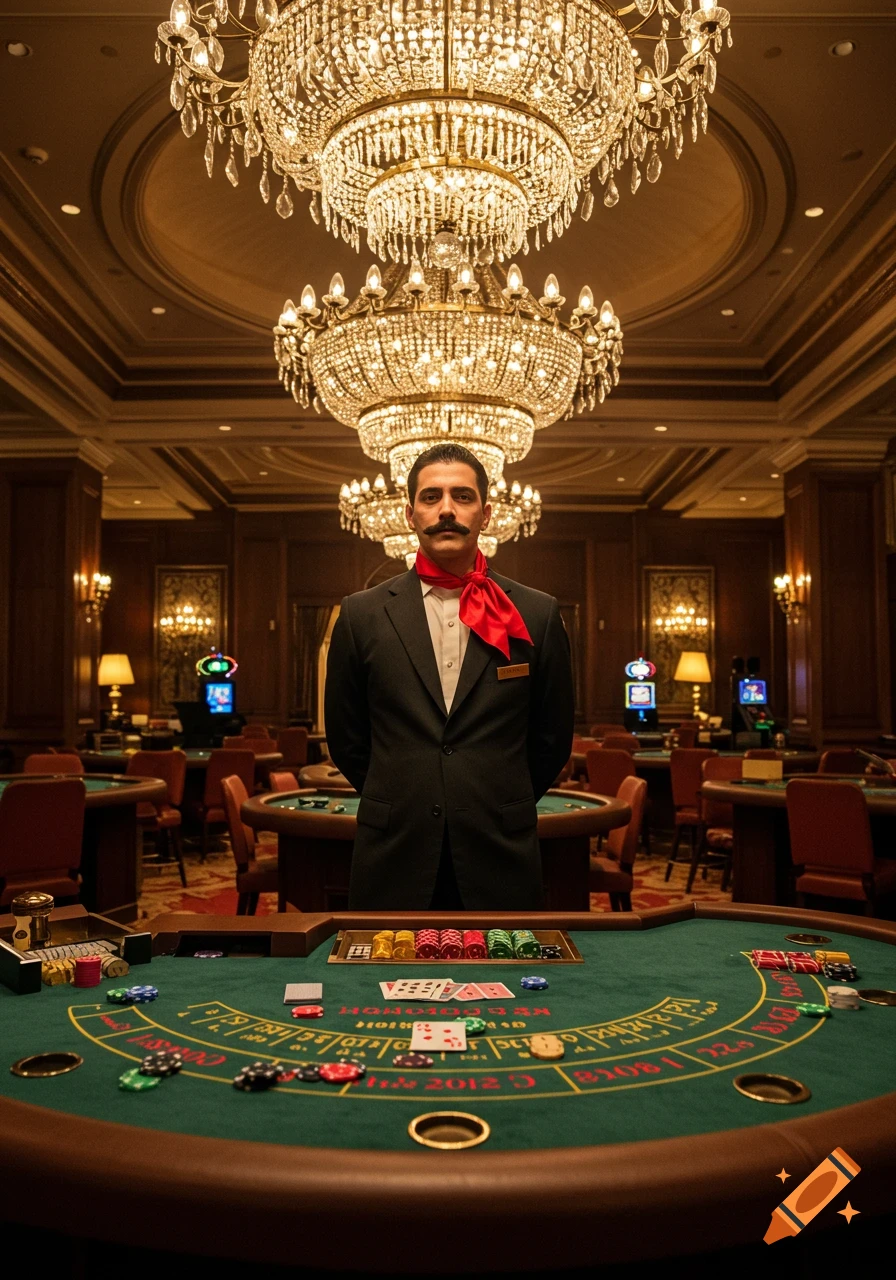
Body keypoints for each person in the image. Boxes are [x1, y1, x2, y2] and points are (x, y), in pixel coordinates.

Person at [325, 442, 575, 910]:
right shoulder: (361, 614)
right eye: (431, 497)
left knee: (506, 983)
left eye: (462, 496)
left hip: (500, 848)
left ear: (486, 513)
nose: (446, 510)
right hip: (393, 848)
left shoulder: (537, 613)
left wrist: (496, 797)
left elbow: (552, 738)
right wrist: (404, 794)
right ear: (409, 513)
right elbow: (346, 737)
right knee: (383, 984)